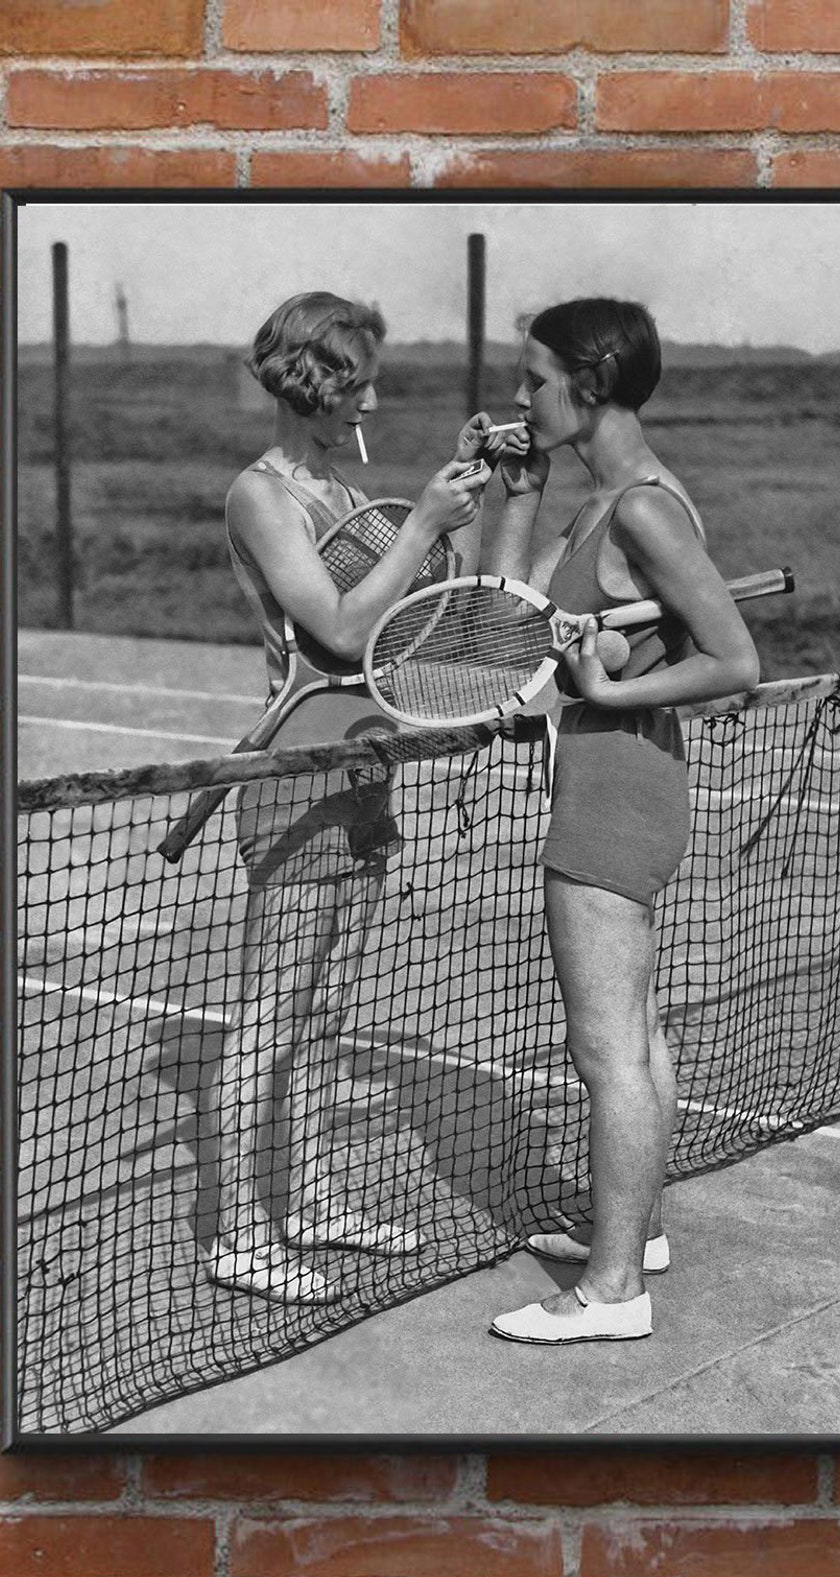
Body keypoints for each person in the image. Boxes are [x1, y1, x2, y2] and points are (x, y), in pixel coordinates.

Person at [479, 297, 762, 1344]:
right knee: (634, 1033)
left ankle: (610, 1293)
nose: (519, 395)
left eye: (534, 379)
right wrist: (521, 490)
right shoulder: (608, 497)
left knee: (605, 1050)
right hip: (620, 773)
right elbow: (500, 615)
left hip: (616, 782)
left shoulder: (644, 507)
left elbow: (733, 663)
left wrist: (601, 690)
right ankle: (633, 1234)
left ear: (588, 385)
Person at [206, 291, 492, 1304]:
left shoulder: (332, 482)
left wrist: (450, 509)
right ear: (316, 382)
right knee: (269, 1014)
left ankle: (315, 1199)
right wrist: (419, 519)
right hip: (296, 778)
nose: (374, 393)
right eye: (359, 377)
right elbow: (333, 628)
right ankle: (240, 1232)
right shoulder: (262, 494)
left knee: (326, 1009)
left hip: (368, 766)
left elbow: (408, 621)